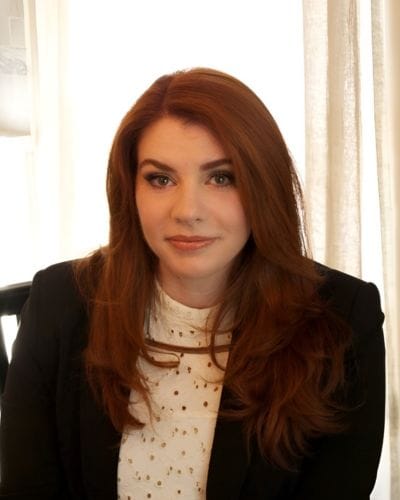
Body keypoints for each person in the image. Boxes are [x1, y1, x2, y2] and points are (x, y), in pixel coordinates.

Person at [0, 68, 385, 500]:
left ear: (263, 185)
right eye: (160, 179)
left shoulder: (345, 317)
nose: (187, 211)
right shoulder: (58, 301)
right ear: (131, 190)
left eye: (221, 177)